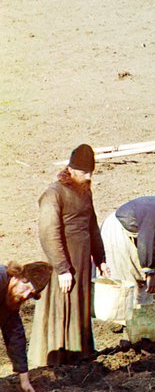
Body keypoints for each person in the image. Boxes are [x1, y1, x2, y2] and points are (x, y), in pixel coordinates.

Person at [29, 144, 108, 369]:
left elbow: (92, 225)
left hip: (83, 261)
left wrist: (101, 259)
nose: (89, 176)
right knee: (62, 304)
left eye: (91, 171)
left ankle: (79, 352)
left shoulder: (85, 191)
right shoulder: (54, 193)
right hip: (63, 262)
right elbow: (48, 232)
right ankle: (55, 358)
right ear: (71, 169)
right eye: (84, 172)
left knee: (79, 304)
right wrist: (62, 268)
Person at [1, 261, 50, 392]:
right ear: (18, 276)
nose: (25, 295)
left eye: (30, 294)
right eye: (26, 288)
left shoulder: (10, 300)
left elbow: (15, 336)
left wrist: (24, 379)